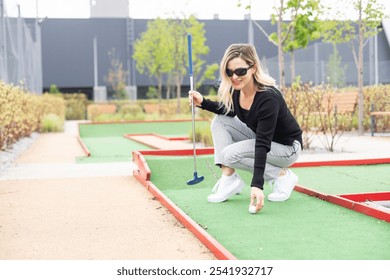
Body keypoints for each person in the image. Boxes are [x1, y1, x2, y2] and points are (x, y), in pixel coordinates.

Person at [189, 43, 302, 213]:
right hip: (266, 141)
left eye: (240, 71)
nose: (234, 77)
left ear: (253, 67)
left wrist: (257, 184)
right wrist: (203, 102)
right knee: (219, 121)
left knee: (229, 154)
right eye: (229, 72)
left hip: (287, 149)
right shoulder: (238, 90)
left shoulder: (268, 98)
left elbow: (262, 144)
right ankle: (229, 178)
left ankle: (282, 176)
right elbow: (228, 110)